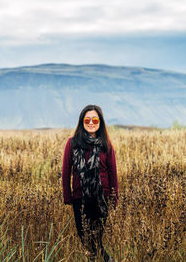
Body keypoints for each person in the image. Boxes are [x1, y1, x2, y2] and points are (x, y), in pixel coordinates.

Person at [62, 104, 118, 262]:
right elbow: (66, 171)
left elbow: (113, 173)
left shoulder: (106, 144)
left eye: (95, 119)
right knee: (84, 238)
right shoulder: (72, 143)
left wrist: (114, 199)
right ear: (82, 121)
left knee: (96, 239)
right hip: (80, 198)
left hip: (102, 198)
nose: (91, 122)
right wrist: (68, 197)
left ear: (100, 122)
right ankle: (108, 260)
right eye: (87, 119)